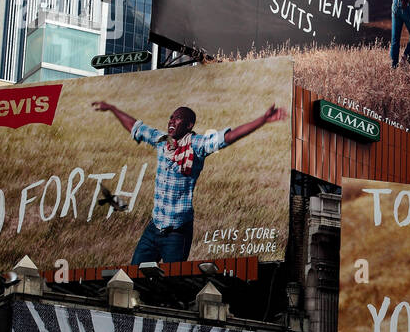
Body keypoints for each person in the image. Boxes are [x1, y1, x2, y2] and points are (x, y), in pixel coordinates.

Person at [90, 100, 288, 264]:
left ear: (189, 125)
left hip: (177, 233)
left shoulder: (197, 146)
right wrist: (113, 108)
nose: (172, 121)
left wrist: (263, 119)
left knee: (172, 284)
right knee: (132, 278)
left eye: (177, 118)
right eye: (171, 117)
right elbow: (136, 128)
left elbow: (229, 137)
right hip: (154, 228)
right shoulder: (162, 142)